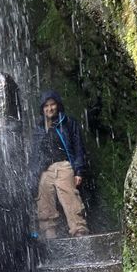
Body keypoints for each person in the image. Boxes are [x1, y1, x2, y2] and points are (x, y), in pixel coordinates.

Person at [30, 89, 89, 239]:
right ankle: (49, 234)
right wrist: (33, 177)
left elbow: (78, 147)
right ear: (42, 109)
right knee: (44, 201)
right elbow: (35, 154)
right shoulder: (38, 128)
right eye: (46, 106)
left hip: (64, 166)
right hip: (45, 169)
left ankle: (79, 231)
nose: (50, 109)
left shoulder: (68, 122)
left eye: (52, 104)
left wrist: (79, 171)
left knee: (70, 198)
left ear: (58, 105)